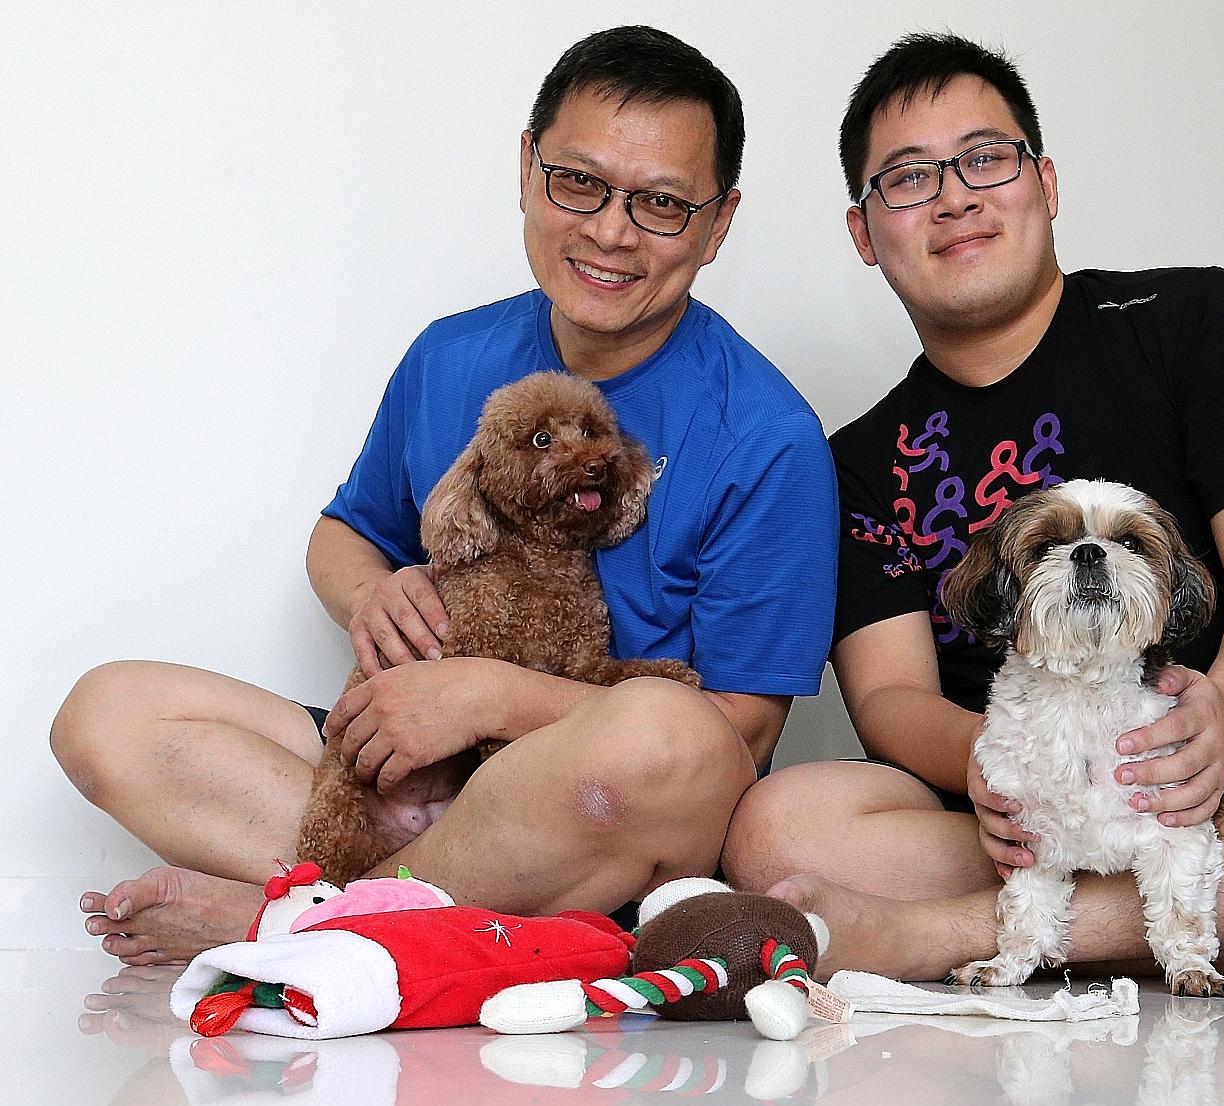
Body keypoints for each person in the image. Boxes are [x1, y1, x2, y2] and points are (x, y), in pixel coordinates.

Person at [52, 25, 837, 966]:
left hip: (594, 808)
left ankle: (295, 925)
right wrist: (371, 595)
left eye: (662, 204)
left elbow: (737, 736)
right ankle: (415, 912)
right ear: (525, 168)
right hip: (418, 771)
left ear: (718, 222)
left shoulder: (766, 433)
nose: (611, 231)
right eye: (578, 182)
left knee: (671, 736)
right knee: (108, 714)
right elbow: (345, 535)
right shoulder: (448, 357)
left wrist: (488, 696)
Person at [721, 32, 1224, 987]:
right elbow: (889, 698)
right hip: (1010, 822)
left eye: (985, 159)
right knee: (775, 829)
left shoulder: (1199, 322)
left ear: (1044, 181)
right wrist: (995, 766)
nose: (955, 196)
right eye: (909, 179)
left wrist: (1222, 719)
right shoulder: (859, 461)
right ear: (864, 234)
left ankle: (952, 936)